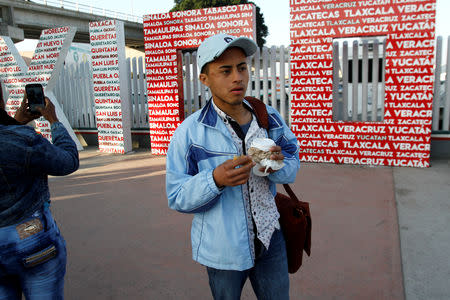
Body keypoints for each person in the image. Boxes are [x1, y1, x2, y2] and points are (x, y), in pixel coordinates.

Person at [166, 33, 300, 299]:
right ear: (204, 79)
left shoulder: (268, 117)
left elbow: (293, 166)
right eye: (225, 71)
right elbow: (176, 196)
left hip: (270, 238)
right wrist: (214, 179)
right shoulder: (189, 133)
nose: (237, 77)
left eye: (241, 68)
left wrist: (276, 164)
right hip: (222, 251)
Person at [0, 85, 79, 299]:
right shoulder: (24, 140)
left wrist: (15, 122)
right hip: (30, 239)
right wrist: (53, 120)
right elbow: (68, 161)